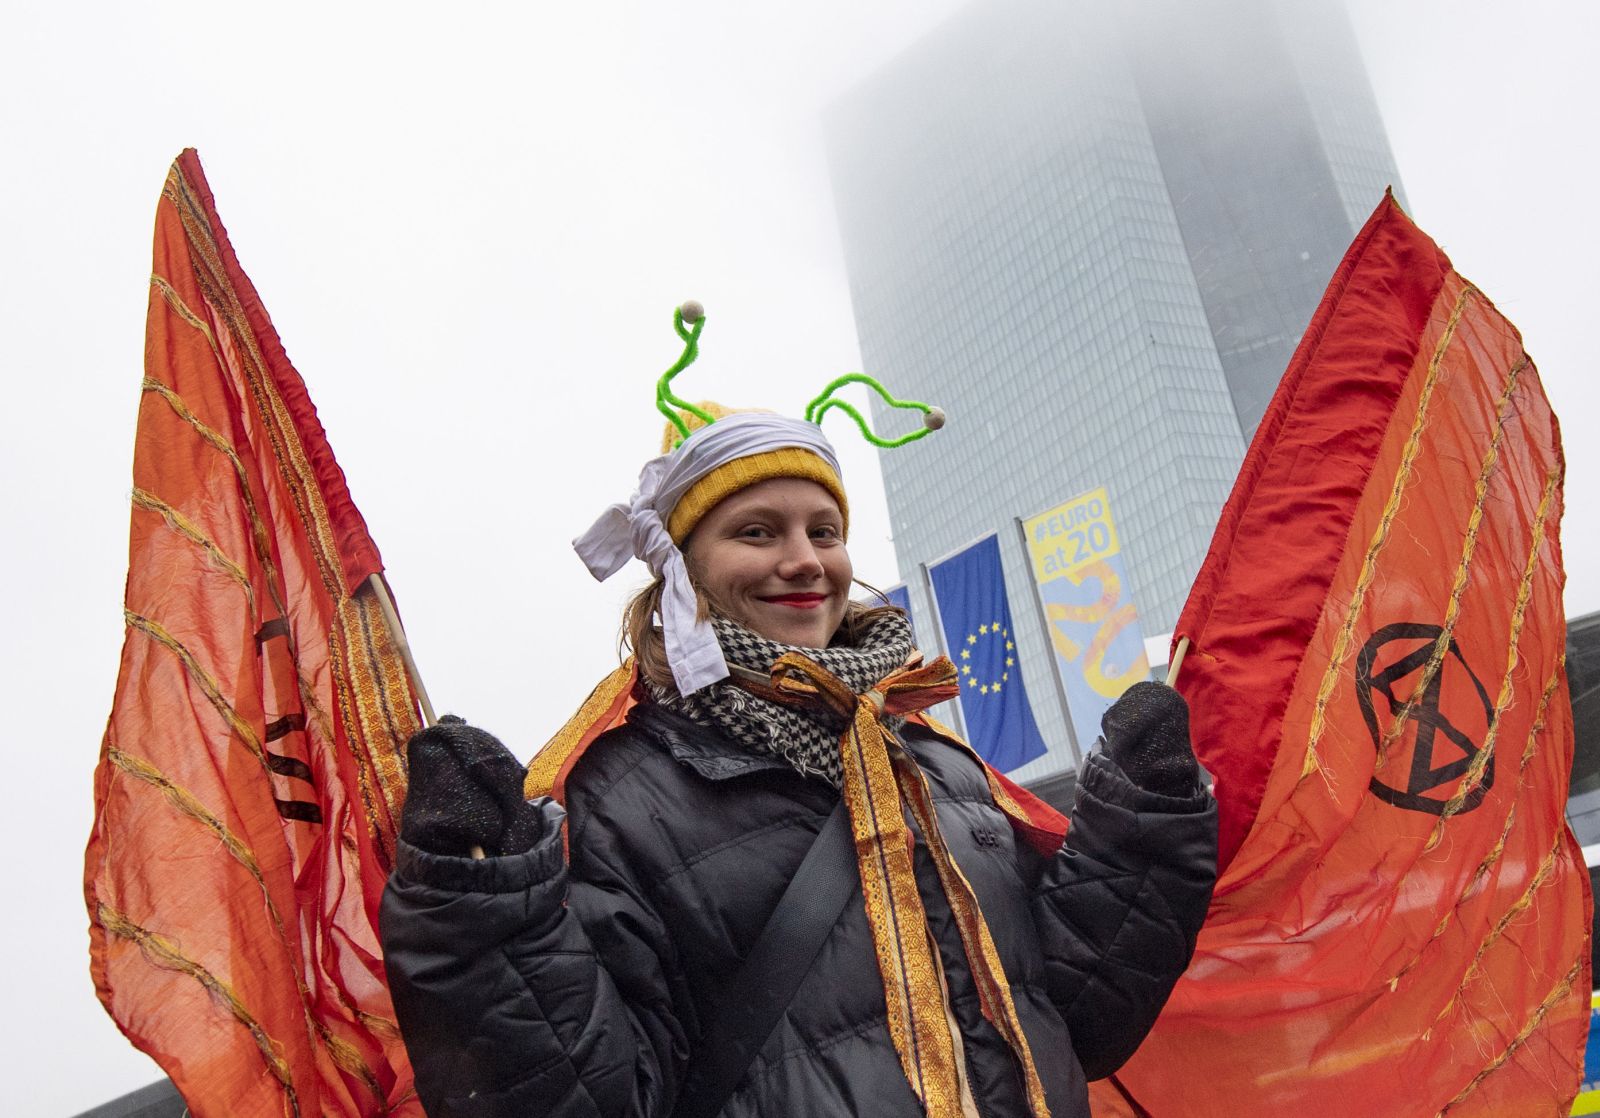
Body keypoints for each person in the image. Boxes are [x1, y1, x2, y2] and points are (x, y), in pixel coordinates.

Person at [379, 305, 1218, 1118]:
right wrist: (478, 913)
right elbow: (586, 1096)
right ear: (682, 567)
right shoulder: (617, 794)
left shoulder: (936, 759)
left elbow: (1079, 1018)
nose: (804, 561)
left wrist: (1142, 828)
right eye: (756, 532)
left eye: (823, 529)